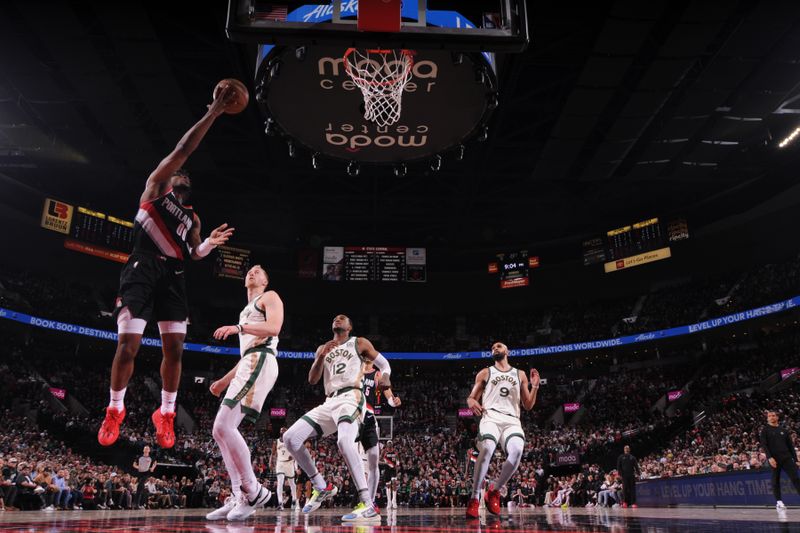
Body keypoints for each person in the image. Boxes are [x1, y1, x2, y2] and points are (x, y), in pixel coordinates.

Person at [98, 83, 238, 449]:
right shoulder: (155, 188)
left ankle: (167, 413)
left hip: (174, 275)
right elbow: (183, 149)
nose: (185, 175)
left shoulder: (192, 217)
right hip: (142, 268)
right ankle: (115, 409)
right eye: (181, 173)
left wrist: (209, 243)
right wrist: (214, 112)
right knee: (128, 344)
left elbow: (195, 254)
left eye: (188, 177)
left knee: (174, 349)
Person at [282, 314, 392, 522]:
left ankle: (368, 503)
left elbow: (384, 364)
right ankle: (321, 486)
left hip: (352, 396)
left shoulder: (359, 343)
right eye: (335, 318)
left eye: (343, 318)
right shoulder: (323, 348)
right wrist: (321, 356)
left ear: (349, 327)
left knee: (344, 441)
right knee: (290, 438)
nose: (338, 319)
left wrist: (385, 376)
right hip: (329, 401)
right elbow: (312, 379)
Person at [205, 264, 282, 521]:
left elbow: (274, 328)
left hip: (262, 360)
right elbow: (245, 354)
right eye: (250, 270)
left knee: (224, 426)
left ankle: (253, 490)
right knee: (219, 430)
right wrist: (224, 381)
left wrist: (239, 329)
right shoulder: (244, 312)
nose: (253, 272)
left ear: (265, 280)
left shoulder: (269, 297)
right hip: (249, 361)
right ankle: (240, 493)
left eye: (259, 271)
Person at [465, 342, 539, 518]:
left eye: (498, 346)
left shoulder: (520, 374)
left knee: (517, 451)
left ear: (507, 351)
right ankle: (475, 497)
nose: (495, 348)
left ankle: (494, 490)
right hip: (491, 416)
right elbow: (471, 397)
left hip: (512, 419)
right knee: (488, 447)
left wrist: (535, 386)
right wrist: (470, 401)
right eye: (492, 348)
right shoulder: (485, 372)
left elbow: (528, 405)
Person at [358, 358, 401, 511]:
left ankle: (370, 501)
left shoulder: (376, 374)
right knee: (358, 464)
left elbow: (387, 391)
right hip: (353, 418)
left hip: (369, 417)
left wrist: (392, 400)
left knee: (371, 462)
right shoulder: (355, 370)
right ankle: (366, 500)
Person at [760, 410, 800, 511]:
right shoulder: (765, 430)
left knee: (796, 478)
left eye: (773, 415)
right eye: (769, 416)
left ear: (777, 417)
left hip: (786, 457)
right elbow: (764, 445)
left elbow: (790, 446)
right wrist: (769, 457)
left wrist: (796, 459)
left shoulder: (784, 430)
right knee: (776, 479)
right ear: (767, 418)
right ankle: (779, 502)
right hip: (774, 459)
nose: (771, 417)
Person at [272, 426, 299, 511]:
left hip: (289, 463)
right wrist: (270, 462)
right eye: (281, 430)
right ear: (280, 432)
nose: (283, 431)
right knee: (280, 483)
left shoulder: (291, 441)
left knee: (292, 483)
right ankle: (280, 503)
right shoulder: (276, 442)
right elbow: (273, 453)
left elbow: (296, 453)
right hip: (280, 463)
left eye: (284, 430)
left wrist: (293, 457)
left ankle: (294, 500)